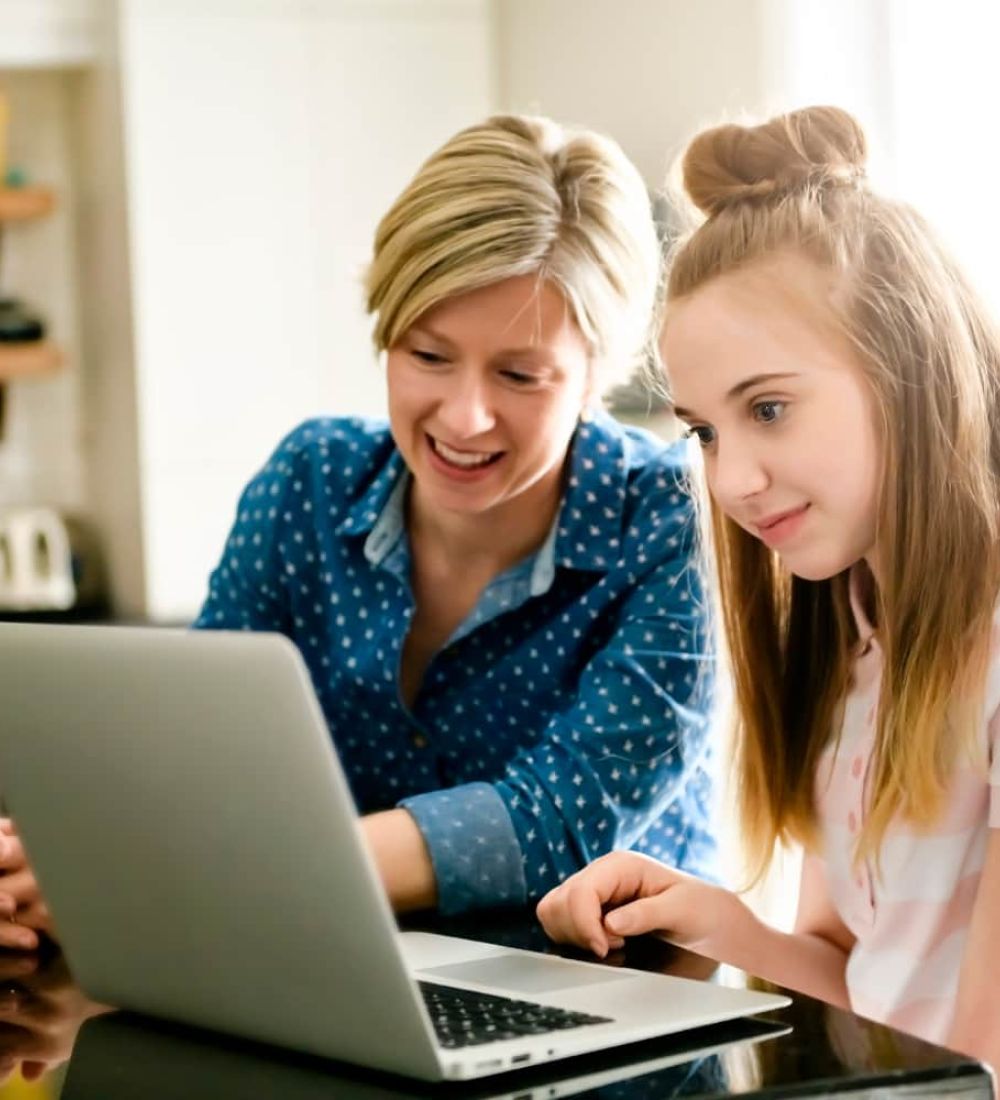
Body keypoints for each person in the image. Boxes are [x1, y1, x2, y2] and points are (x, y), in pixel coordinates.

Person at [0, 114, 718, 940]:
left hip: (626, 1007)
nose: (465, 415)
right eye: (428, 356)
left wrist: (162, 873)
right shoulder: (310, 480)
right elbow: (202, 753)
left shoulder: (674, 518)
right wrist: (60, 861)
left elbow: (555, 820)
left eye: (520, 374)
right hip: (347, 973)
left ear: (600, 370)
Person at [537, 105, 1000, 1068]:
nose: (730, 478)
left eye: (770, 409)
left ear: (909, 368)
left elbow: (980, 1066)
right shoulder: (855, 643)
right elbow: (867, 991)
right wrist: (715, 923)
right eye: (706, 430)